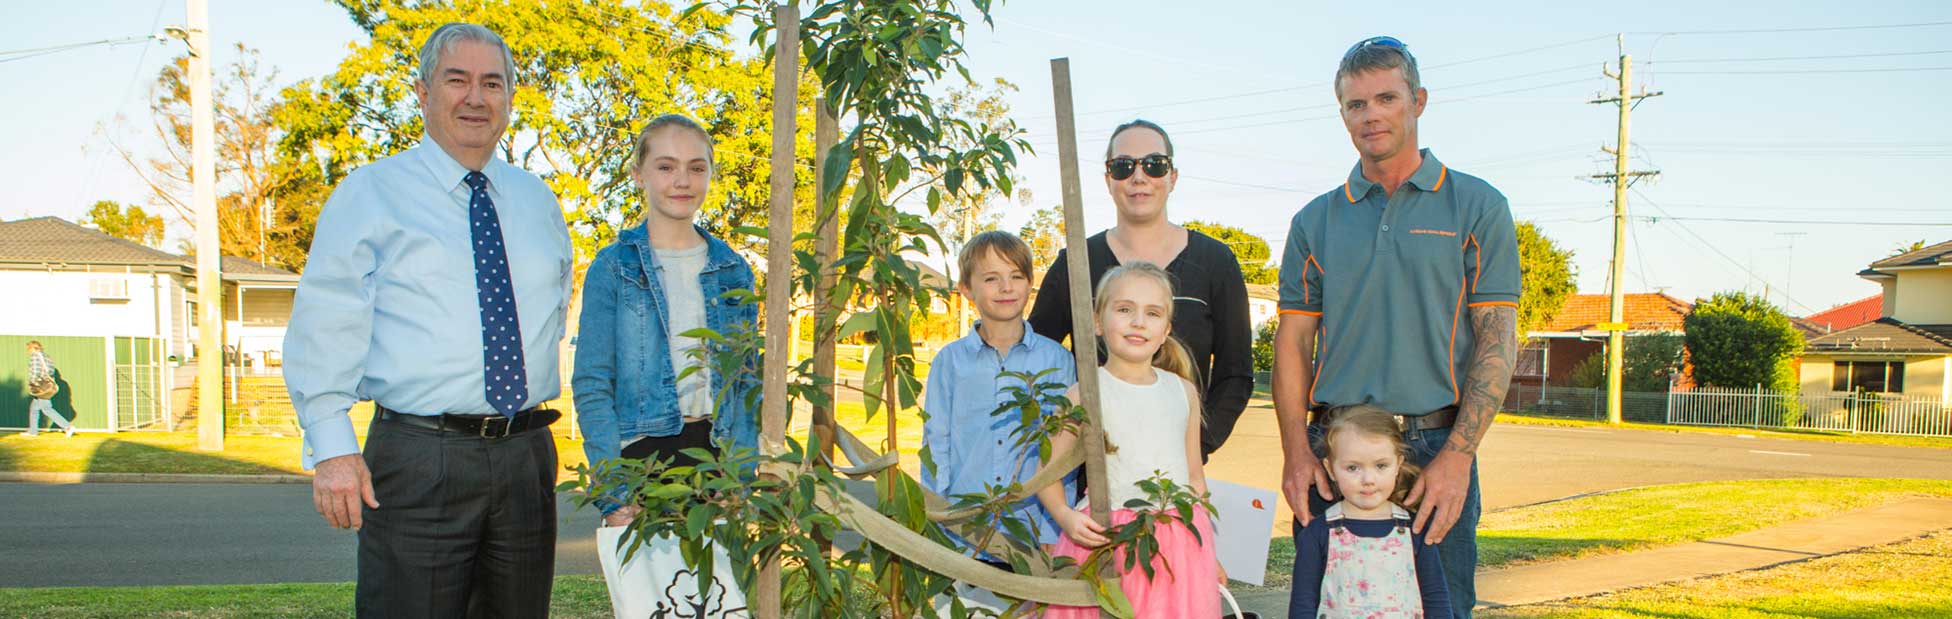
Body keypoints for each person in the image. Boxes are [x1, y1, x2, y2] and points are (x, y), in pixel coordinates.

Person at [284, 23, 573, 617]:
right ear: (422, 93)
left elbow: (554, 313)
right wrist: (332, 447)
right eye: (457, 80)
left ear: (509, 98)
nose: (475, 97)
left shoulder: (537, 201)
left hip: (526, 456)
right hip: (420, 457)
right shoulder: (370, 194)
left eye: (492, 83)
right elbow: (325, 322)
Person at [1274, 36, 1520, 619]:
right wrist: (1294, 453)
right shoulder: (1315, 220)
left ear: (1419, 101)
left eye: (1386, 97)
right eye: (1356, 104)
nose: (1371, 115)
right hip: (1334, 448)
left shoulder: (1478, 205)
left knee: (1441, 606)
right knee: (1327, 604)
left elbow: (1497, 339)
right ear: (1342, 114)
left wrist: (1459, 455)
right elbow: (1294, 341)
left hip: (1434, 446)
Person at [573, 113, 761, 527]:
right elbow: (592, 383)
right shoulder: (613, 267)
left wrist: (740, 480)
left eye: (697, 167)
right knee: (653, 593)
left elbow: (747, 383)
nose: (682, 181)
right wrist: (614, 492)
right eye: (666, 166)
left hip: (717, 462)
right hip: (640, 464)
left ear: (711, 174)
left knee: (724, 593)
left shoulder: (733, 269)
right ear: (639, 174)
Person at [1027, 120, 1253, 461]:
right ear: (1108, 180)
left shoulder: (1216, 262)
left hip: (1174, 472)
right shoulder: (1076, 262)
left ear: (1172, 177)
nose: (1138, 177)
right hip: (1091, 472)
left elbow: (1235, 373)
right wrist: (1068, 437)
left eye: (1154, 165)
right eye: (1122, 166)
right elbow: (1035, 355)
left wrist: (1195, 446)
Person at [1040, 263, 1222, 619]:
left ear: (1166, 329)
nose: (1139, 322)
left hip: (1179, 546)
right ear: (1097, 321)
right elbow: (1046, 472)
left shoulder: (1182, 391)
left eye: (1152, 313)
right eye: (1124, 309)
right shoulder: (1084, 393)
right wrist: (1064, 516)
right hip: (1109, 541)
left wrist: (1210, 553)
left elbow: (1195, 479)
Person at [920, 230, 1076, 561]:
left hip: (1033, 530)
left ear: (1029, 283)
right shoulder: (950, 361)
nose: (1006, 288)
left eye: (1016, 276)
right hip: (964, 527)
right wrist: (938, 516)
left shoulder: (1057, 360)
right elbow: (936, 442)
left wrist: (1055, 526)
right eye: (991, 278)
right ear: (966, 289)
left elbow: (1067, 451)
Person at [1289, 405, 1450, 618]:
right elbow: (1303, 603)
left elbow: (1436, 597)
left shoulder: (1415, 531)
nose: (1368, 480)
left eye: (1381, 466)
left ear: (1398, 464)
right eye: (1353, 468)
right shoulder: (1317, 534)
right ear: (1330, 469)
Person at [23, 341, 75, 438]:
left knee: (47, 409)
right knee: (34, 408)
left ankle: (68, 427)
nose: (28, 352)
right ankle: (33, 431)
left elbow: (35, 371)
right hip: (47, 385)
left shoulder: (35, 356)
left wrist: (32, 383)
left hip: (40, 386)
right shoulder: (47, 357)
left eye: (28, 349)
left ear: (32, 348)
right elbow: (51, 371)